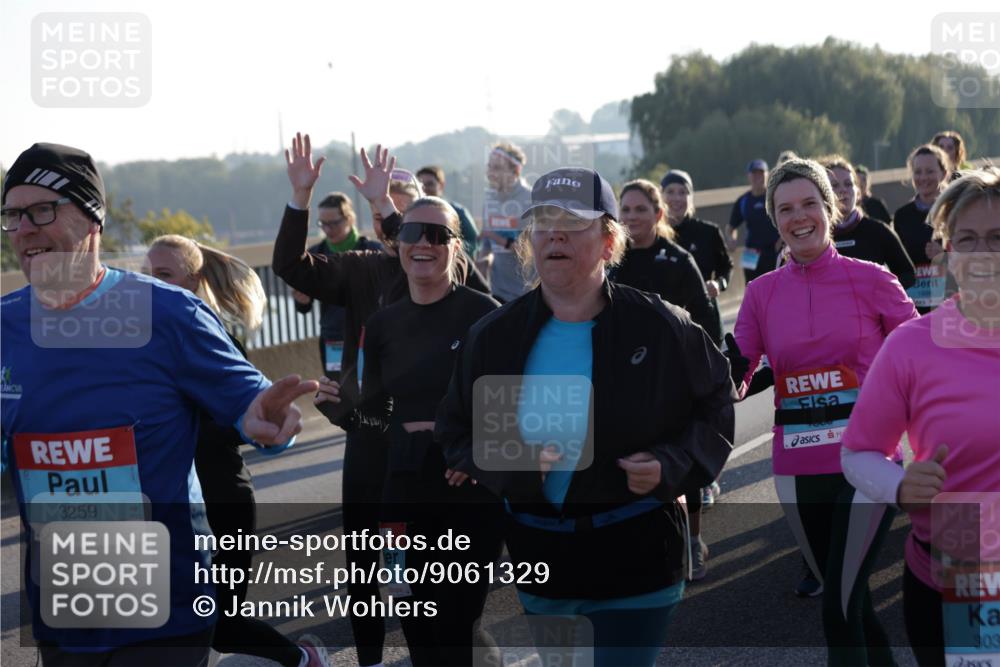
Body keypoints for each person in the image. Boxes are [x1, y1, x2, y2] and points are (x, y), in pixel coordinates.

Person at [0, 143, 317, 666]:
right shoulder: (5, 326)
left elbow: (253, 405)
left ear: (93, 218)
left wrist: (268, 422)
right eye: (13, 215)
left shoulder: (168, 314)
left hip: (165, 609)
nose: (24, 229)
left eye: (43, 210)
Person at [436, 167, 736, 666]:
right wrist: (511, 464)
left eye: (573, 222)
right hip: (542, 559)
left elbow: (716, 401)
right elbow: (455, 432)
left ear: (608, 239)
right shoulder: (493, 336)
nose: (555, 233)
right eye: (543, 221)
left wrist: (672, 463)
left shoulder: (660, 324)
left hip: (636, 552)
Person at [272, 134, 486, 667]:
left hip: (445, 452)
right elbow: (292, 268)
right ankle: (370, 656)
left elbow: (489, 321)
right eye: (400, 223)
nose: (413, 235)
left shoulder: (452, 277)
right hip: (372, 438)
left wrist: (388, 208)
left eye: (409, 212)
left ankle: (460, 648)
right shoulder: (365, 268)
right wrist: (299, 199)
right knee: (369, 562)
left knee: (447, 590)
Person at [726, 158, 918, 665]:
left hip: (867, 463)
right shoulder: (763, 292)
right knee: (850, 603)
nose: (799, 216)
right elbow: (741, 367)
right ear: (774, 219)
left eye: (810, 203)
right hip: (795, 467)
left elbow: (916, 358)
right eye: (786, 208)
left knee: (836, 608)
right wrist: (717, 380)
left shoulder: (873, 279)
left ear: (829, 209)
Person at [318, 196, 502, 665]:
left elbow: (506, 408)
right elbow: (377, 421)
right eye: (412, 233)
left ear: (456, 247)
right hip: (401, 490)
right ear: (398, 244)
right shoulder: (381, 325)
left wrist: (471, 448)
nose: (423, 244)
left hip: (465, 489)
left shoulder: (485, 315)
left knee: (458, 626)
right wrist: (340, 411)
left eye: (437, 234)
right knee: (417, 627)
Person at [841, 167, 1000, 667]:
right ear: (948, 251)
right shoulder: (912, 345)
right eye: (968, 239)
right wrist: (900, 487)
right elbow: (858, 452)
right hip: (959, 572)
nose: (984, 254)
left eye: (998, 238)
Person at [145, 236, 329, 667]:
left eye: (163, 276)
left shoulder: (213, 340)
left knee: (221, 623)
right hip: (169, 506)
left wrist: (261, 427)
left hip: (221, 499)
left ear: (192, 280)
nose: (152, 286)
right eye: (146, 276)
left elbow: (251, 422)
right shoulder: (141, 349)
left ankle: (305, 661)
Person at [609, 179, 719, 344]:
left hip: (668, 360)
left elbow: (706, 320)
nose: (632, 216)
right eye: (625, 210)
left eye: (640, 209)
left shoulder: (680, 261)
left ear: (658, 214)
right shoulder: (608, 259)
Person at [291, 192, 382, 380]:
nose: (328, 229)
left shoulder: (372, 250)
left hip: (370, 333)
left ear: (349, 219)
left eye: (334, 223)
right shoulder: (315, 255)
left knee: (374, 386)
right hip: (334, 337)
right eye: (322, 223)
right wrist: (302, 300)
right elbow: (303, 308)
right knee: (338, 388)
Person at [821, 156, 916, 289]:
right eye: (834, 185)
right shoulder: (817, 237)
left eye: (848, 184)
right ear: (823, 194)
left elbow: (908, 274)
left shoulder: (878, 231)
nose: (842, 190)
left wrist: (881, 292)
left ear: (858, 192)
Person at [661, 169, 734, 344]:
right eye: (670, 192)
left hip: (706, 321)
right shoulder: (652, 237)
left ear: (690, 197)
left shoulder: (708, 232)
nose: (677, 198)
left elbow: (726, 267)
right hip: (666, 323)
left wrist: (718, 284)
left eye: (683, 192)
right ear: (660, 196)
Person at [894, 144, 950, 313]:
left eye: (930, 171)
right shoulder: (902, 216)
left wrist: (945, 255)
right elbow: (896, 264)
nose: (923, 177)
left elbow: (972, 258)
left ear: (944, 173)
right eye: (918, 172)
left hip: (949, 303)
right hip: (914, 306)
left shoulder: (954, 211)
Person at [478, 141, 534, 303]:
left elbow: (527, 251)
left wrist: (493, 236)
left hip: (528, 292)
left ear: (516, 171)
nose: (490, 173)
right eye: (489, 167)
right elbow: (487, 247)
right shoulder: (489, 199)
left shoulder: (530, 200)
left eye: (497, 168)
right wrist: (481, 263)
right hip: (498, 292)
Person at [729, 159, 781, 285]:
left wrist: (782, 240)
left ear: (767, 174)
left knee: (774, 285)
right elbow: (731, 227)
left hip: (772, 250)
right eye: (754, 174)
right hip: (750, 252)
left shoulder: (774, 197)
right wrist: (731, 239)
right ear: (749, 176)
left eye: (761, 173)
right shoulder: (743, 201)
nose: (758, 177)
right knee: (751, 285)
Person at [416, 165, 479, 258]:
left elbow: (473, 243)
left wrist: (447, 244)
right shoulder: (411, 214)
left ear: (441, 185)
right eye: (420, 185)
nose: (425, 188)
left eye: (430, 184)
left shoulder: (458, 212)